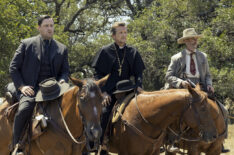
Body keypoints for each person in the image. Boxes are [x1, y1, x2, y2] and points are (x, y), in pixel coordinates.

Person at [8, 15, 69, 154]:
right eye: (46, 26)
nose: (49, 29)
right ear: (39, 27)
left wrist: (63, 80)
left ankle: (81, 144)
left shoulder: (62, 48)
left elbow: (65, 71)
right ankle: (17, 145)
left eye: (51, 26)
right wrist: (22, 86)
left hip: (54, 90)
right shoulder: (26, 44)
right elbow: (13, 67)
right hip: (30, 88)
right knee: (24, 109)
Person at [164, 28, 229, 153]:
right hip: (183, 90)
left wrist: (209, 85)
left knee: (224, 111)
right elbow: (169, 76)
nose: (194, 41)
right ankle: (171, 141)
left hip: (201, 90)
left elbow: (208, 75)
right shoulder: (177, 58)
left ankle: (221, 142)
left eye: (195, 39)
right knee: (176, 114)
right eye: (191, 39)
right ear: (186, 41)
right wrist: (181, 82)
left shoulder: (203, 56)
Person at [92, 21, 145, 155]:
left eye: (125, 32)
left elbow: (139, 73)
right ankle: (101, 145)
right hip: (109, 92)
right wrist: (103, 93)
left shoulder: (133, 51)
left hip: (128, 91)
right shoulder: (105, 51)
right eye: (120, 33)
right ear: (113, 36)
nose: (124, 35)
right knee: (104, 113)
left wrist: (139, 86)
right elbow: (97, 75)